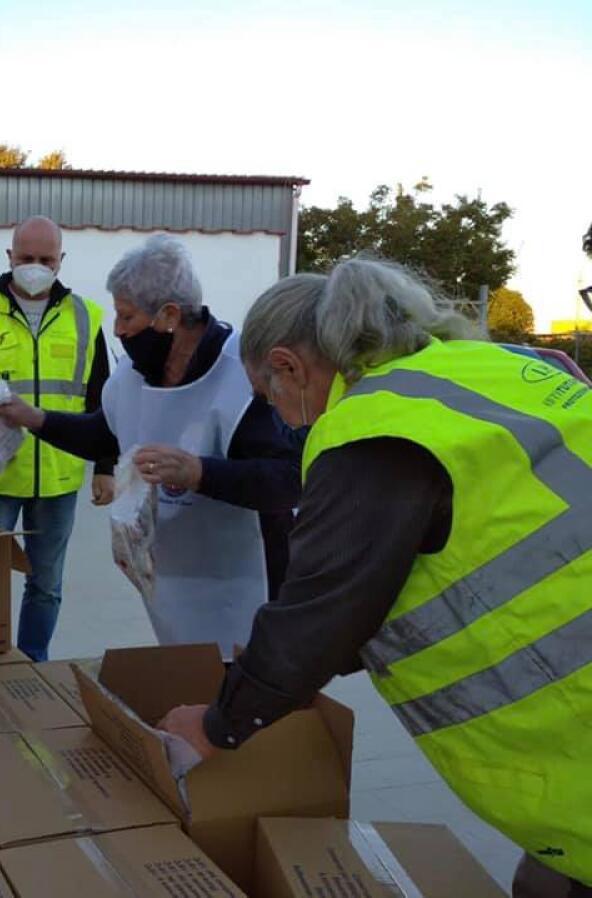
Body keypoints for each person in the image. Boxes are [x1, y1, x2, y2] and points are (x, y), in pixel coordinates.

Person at [157, 258, 592, 898]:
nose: (283, 419)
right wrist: (282, 672)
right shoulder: (496, 368)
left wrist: (219, 724)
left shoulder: (369, 428)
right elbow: (454, 556)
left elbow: (320, 613)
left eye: (269, 397)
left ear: (288, 367)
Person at [0, 234, 301, 653]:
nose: (117, 330)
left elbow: (286, 480)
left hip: (246, 586)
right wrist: (35, 419)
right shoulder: (134, 375)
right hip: (172, 583)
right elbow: (104, 433)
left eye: (127, 317)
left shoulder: (242, 373)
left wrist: (198, 472)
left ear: (170, 316)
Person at [0, 215, 114, 661]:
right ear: (10, 257)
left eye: (46, 259)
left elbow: (103, 401)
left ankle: (32, 663)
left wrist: (105, 468)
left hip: (57, 478)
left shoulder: (86, 317)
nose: (35, 266)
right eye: (27, 257)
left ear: (61, 260)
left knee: (46, 585)